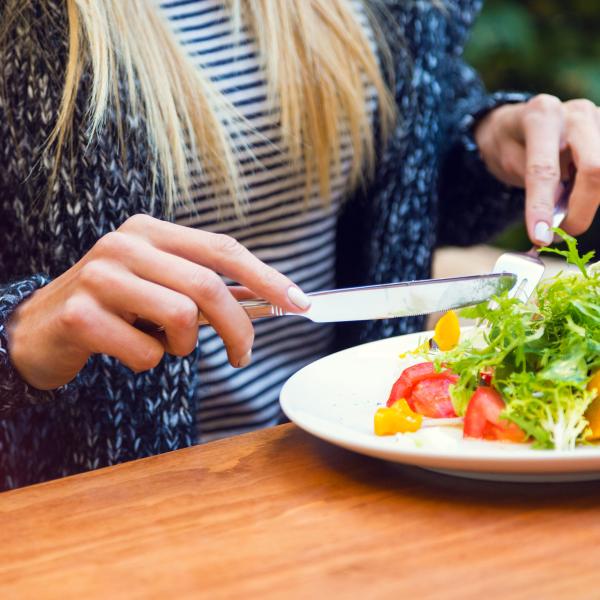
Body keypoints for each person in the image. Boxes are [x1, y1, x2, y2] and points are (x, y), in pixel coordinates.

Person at [0, 0, 598, 490]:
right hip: (113, 515)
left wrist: (488, 145)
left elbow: (402, 187)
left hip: (364, 475)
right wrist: (19, 336)